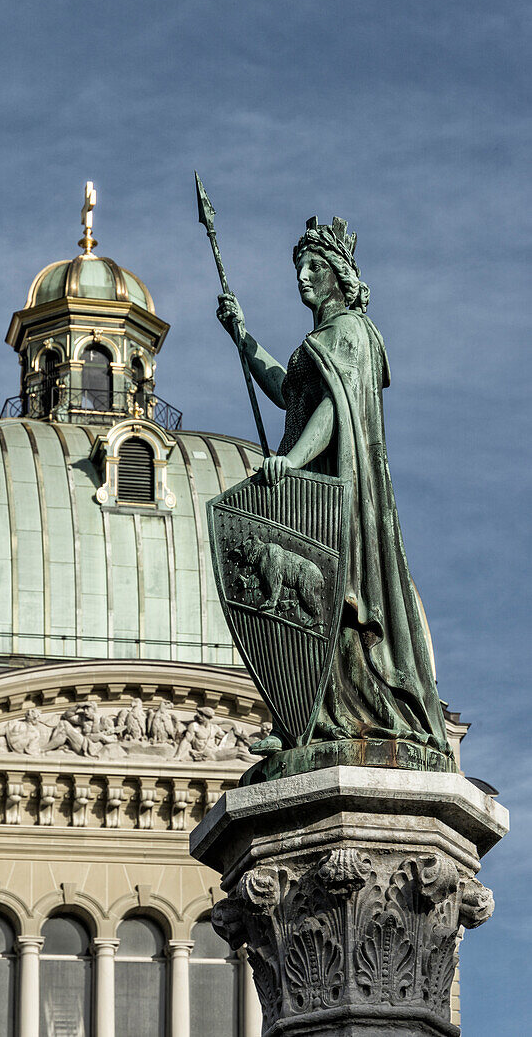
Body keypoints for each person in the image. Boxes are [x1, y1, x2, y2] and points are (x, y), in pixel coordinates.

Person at [216, 216, 449, 754]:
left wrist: (291, 461)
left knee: (336, 596)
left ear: (339, 276)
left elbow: (333, 409)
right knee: (312, 607)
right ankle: (311, 716)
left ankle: (353, 711)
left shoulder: (350, 333)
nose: (303, 275)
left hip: (337, 486)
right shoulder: (319, 339)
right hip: (316, 483)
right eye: (300, 265)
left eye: (315, 266)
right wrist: (243, 337)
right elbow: (286, 390)